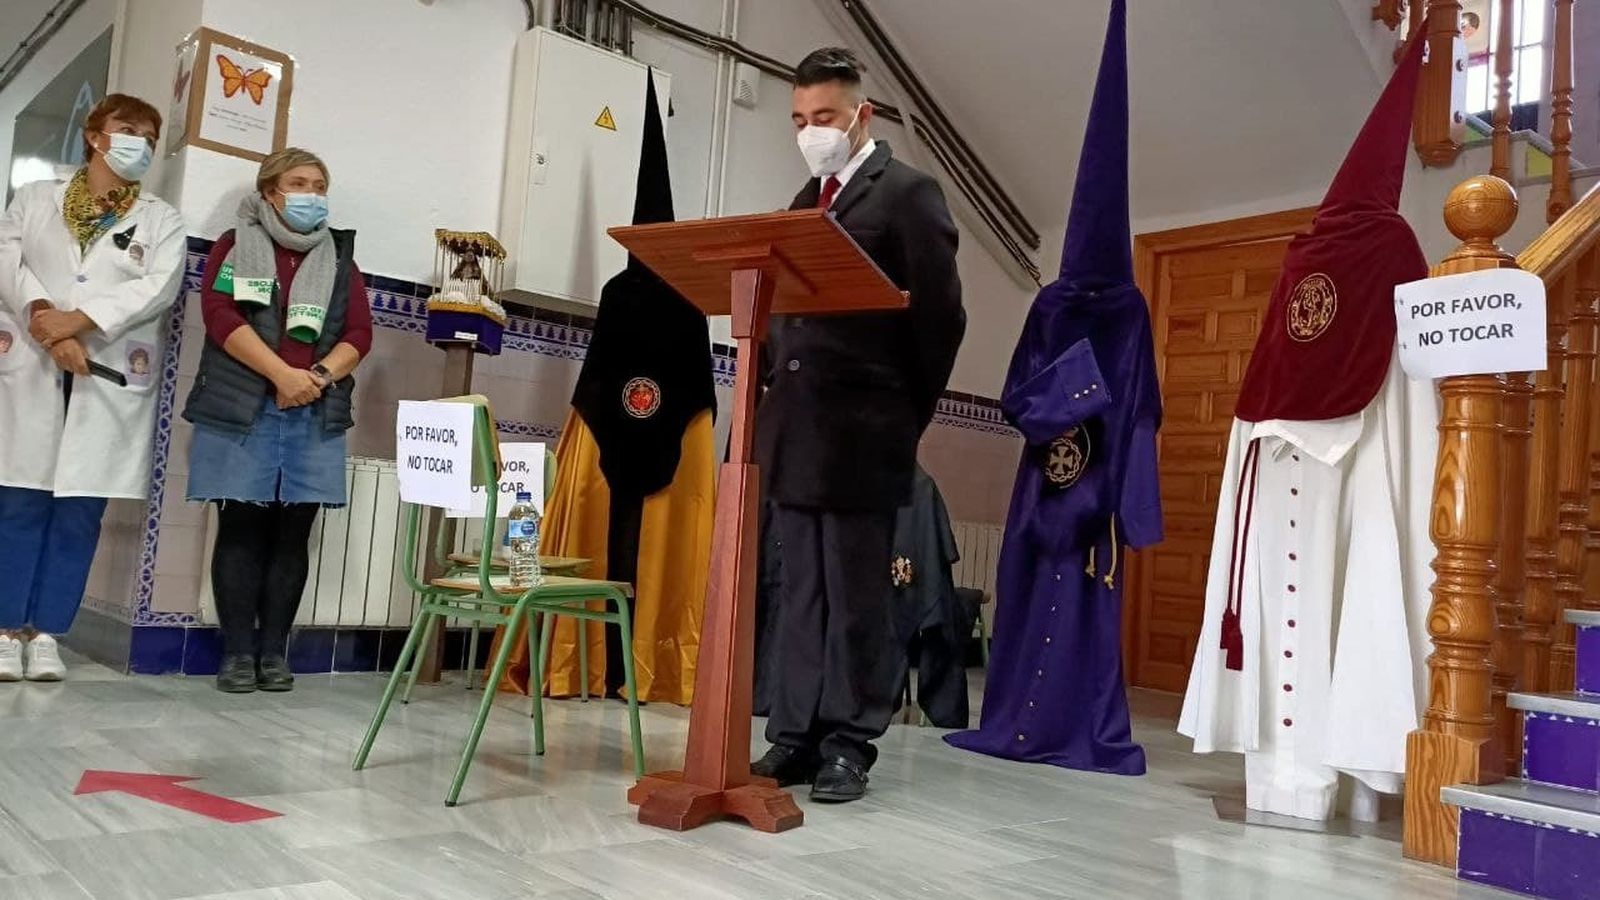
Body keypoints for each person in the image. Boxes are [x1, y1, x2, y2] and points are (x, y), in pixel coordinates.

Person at [1179, 25, 1438, 822]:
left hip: (1274, 443)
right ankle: (1351, 790)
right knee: (1347, 594)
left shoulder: (1306, 249)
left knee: (1308, 598)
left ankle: (1297, 786)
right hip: (1350, 444)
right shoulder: (1390, 242)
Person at [944, 0, 1164, 775]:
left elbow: (1142, 410)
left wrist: (1128, 492)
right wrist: (1081, 398)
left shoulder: (1127, 309)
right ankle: (1024, 724)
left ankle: (1065, 730)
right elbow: (1019, 394)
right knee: (1037, 590)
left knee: (1082, 605)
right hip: (1052, 479)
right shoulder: (1056, 304)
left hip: (1080, 487)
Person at [751, 47, 966, 802]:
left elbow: (941, 319)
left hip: (866, 431)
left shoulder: (907, 193)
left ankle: (848, 741)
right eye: (800, 121)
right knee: (800, 589)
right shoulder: (799, 203)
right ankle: (795, 735)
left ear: (861, 115)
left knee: (856, 594)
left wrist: (903, 419)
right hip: (798, 430)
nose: (812, 132)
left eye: (826, 118)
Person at [0, 93, 185, 682]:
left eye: (149, 137)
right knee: (19, 504)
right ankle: (5, 630)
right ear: (94, 134)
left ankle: (50, 632)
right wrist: (44, 321)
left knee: (80, 511)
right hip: (32, 359)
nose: (138, 143)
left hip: (102, 370)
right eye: (126, 129)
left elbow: (158, 287)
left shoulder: (160, 218)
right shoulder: (34, 198)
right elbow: (7, 260)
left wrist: (77, 324)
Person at [182, 147, 372, 694]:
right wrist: (280, 375)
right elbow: (220, 319)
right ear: (270, 192)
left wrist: (314, 376)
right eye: (298, 183)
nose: (311, 194)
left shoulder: (341, 260)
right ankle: (238, 654)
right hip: (242, 405)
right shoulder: (233, 247)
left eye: (319, 184)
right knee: (240, 529)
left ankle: (274, 653)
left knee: (294, 535)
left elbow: (359, 333)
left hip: (315, 405)